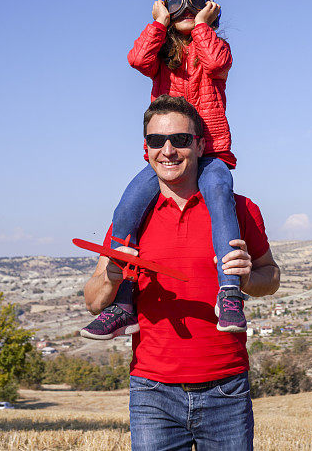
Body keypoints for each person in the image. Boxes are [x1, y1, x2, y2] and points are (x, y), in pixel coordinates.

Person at [84, 95, 280, 450]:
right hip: (152, 393)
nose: (168, 150)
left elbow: (273, 277)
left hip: (226, 387)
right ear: (146, 149)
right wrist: (112, 276)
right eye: (157, 141)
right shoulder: (129, 218)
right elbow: (93, 301)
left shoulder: (240, 210)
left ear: (201, 144)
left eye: (181, 139)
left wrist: (249, 278)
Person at [81, 0, 246, 340]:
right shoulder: (161, 53)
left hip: (210, 151)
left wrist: (202, 27)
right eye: (177, 2)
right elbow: (138, 60)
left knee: (219, 194)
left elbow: (217, 64)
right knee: (128, 206)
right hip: (167, 155)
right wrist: (159, 22)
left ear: (211, 9)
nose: (187, 8)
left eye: (197, 1)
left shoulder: (214, 47)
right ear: (164, 9)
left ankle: (230, 292)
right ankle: (125, 303)